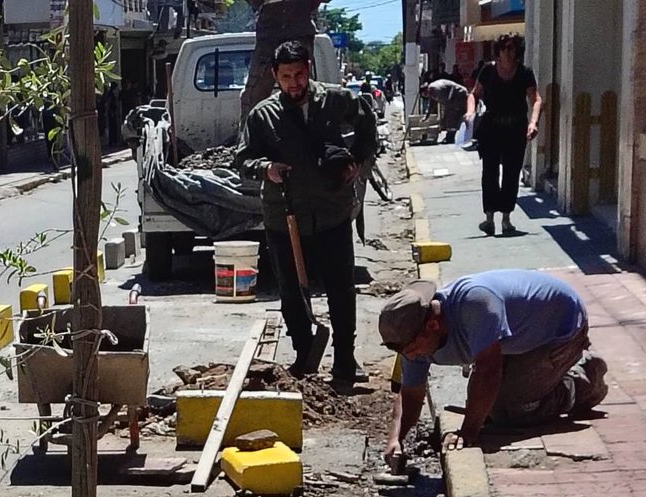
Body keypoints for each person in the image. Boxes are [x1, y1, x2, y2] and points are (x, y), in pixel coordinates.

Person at [238, 41, 378, 384]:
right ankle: (304, 356)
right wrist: (266, 168)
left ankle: (345, 360)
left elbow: (367, 121)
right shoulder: (263, 115)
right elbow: (242, 159)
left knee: (341, 289)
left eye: (299, 75)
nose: (294, 83)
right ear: (275, 75)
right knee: (292, 292)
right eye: (286, 77)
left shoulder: (335, 100)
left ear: (309, 69)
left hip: (332, 212)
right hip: (284, 217)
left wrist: (357, 160)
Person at [379, 271, 610, 469]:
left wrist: (468, 432)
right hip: (515, 338)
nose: (411, 357)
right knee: (489, 407)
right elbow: (410, 394)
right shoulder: (413, 340)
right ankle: (546, 377)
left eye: (413, 350)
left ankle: (583, 379)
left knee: (511, 410)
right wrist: (396, 439)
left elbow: (488, 370)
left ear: (432, 325)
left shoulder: (475, 304)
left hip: (559, 328)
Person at [467, 33, 540, 236]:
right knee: (490, 171)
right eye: (504, 48)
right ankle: (489, 219)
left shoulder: (524, 73)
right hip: (491, 127)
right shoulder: (488, 71)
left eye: (512, 48)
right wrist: (470, 112)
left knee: (511, 172)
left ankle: (506, 218)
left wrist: (533, 122)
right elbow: (474, 94)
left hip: (516, 127)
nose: (508, 52)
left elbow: (535, 99)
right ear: (497, 51)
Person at [241, 0, 328, 117]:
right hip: (269, 34)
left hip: (299, 29)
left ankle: (307, 125)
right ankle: (251, 127)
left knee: (303, 90)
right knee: (255, 93)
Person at [423, 77, 470, 142]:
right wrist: (427, 115)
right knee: (451, 116)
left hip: (459, 95)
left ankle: (450, 137)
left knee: (452, 116)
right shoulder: (432, 91)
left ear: (427, 90)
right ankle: (452, 135)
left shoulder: (437, 90)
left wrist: (444, 117)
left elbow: (447, 104)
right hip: (453, 97)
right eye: (425, 96)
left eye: (426, 94)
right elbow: (432, 104)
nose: (427, 96)